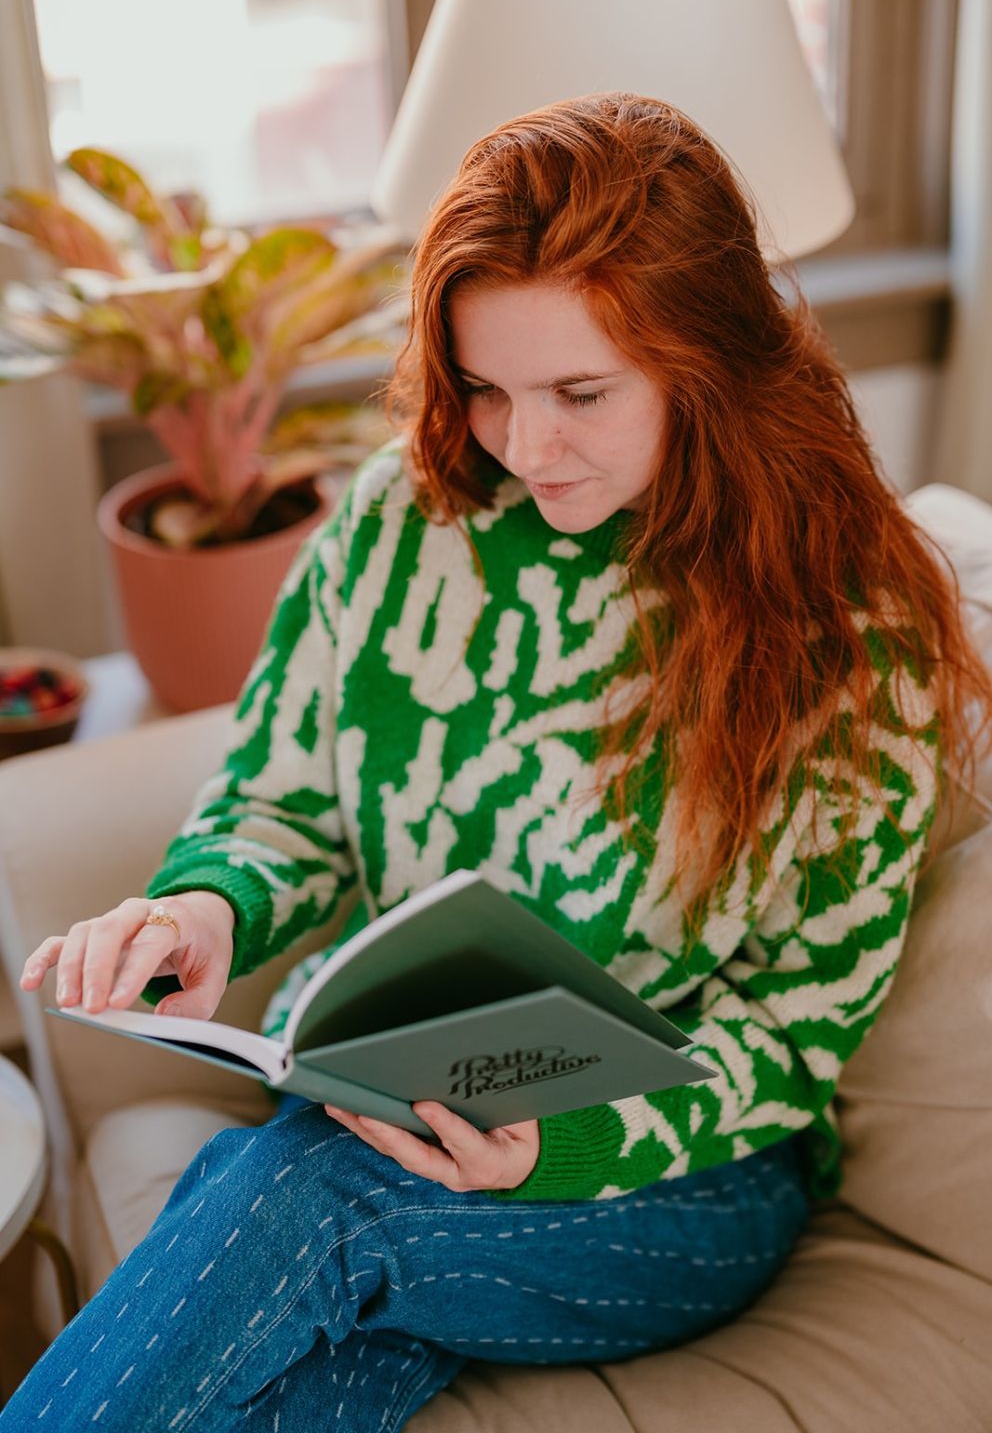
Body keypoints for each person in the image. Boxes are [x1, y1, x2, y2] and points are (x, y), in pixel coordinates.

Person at [5, 91, 991, 1433]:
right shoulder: (399, 523)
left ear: (708, 363)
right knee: (303, 1359)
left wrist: (558, 1144)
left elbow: (795, 1032)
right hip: (396, 1117)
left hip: (685, 1183)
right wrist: (205, 909)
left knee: (298, 1195)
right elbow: (284, 805)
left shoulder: (851, 635)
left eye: (582, 394)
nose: (525, 447)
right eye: (485, 388)